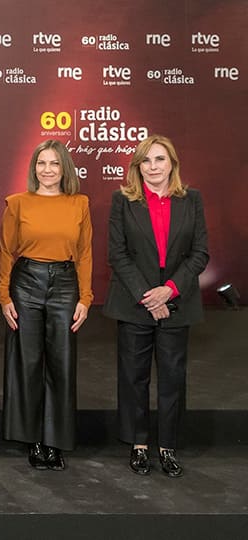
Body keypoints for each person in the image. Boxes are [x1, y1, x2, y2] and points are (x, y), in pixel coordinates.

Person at [103, 135, 208, 478]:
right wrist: (149, 296)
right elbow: (117, 254)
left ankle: (167, 446)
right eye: (146, 160)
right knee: (133, 377)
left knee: (172, 378)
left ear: (172, 164)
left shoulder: (191, 200)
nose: (153, 167)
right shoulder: (122, 200)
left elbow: (199, 253)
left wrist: (170, 290)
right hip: (135, 302)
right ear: (137, 167)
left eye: (160, 159)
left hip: (176, 300)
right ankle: (138, 445)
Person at [0, 139, 92, 471]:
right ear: (33, 168)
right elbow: (5, 250)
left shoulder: (79, 203)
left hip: (66, 285)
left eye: (54, 163)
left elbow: (84, 253)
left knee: (61, 363)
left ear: (64, 168)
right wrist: (4, 295)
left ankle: (55, 441)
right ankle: (33, 440)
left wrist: (85, 297)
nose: (47, 170)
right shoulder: (17, 203)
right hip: (26, 284)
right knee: (28, 362)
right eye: (41, 163)